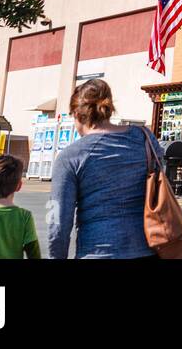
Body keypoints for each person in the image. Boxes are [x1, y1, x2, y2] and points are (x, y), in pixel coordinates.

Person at [48, 78, 166, 259]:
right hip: (148, 248)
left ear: (78, 115)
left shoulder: (70, 157)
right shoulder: (144, 138)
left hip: (98, 252)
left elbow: (58, 223)